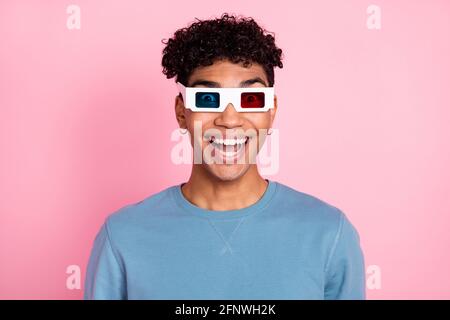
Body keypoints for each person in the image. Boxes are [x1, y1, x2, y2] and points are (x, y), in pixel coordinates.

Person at [84, 13, 366, 300]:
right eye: (208, 99)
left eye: (251, 100)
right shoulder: (122, 237)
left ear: (272, 111)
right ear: (181, 112)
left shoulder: (329, 234)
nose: (230, 120)